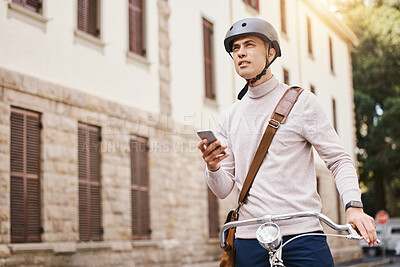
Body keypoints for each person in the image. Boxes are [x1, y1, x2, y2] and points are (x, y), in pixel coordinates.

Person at [197, 18, 377, 267]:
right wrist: (213, 167)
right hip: (249, 238)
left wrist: (354, 205)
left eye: (249, 45)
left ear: (271, 53)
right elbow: (223, 189)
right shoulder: (229, 117)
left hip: (303, 237)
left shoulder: (302, 102)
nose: (240, 53)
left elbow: (338, 159)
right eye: (235, 48)